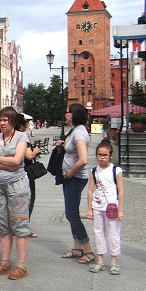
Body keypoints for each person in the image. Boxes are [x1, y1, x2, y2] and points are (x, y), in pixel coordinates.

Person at [0, 106, 31, 280]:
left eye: (5, 120)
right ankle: (5, 262)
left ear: (12, 121)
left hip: (16, 185)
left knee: (19, 224)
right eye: (0, 120)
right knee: (2, 224)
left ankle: (21, 265)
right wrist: (7, 163)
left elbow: (18, 160)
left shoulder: (21, 137)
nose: (2, 123)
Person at [58, 103, 93, 264]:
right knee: (71, 214)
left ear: (72, 115)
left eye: (67, 112)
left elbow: (83, 160)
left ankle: (88, 250)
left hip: (75, 178)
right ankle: (77, 248)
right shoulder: (76, 130)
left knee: (72, 215)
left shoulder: (79, 133)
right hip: (72, 178)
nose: (65, 114)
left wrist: (69, 174)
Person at [87, 140, 125, 275]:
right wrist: (89, 209)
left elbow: (120, 190)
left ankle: (114, 262)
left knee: (113, 233)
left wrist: (120, 210)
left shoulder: (116, 170)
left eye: (104, 155)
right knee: (98, 233)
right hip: (97, 206)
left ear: (110, 155)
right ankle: (100, 260)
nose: (102, 157)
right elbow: (90, 190)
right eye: (99, 155)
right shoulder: (93, 171)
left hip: (112, 207)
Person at [16, 114, 41, 238]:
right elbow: (29, 156)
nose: (26, 125)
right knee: (29, 199)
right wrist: (36, 150)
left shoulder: (11, 136)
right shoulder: (22, 136)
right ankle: (24, 227)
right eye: (25, 122)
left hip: (15, 171)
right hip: (26, 172)